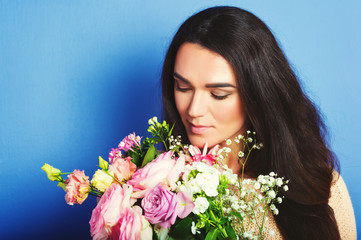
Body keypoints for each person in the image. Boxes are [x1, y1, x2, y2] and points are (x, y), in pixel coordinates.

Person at [161, 6, 356, 240]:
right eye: (183, 87)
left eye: (219, 94)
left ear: (258, 93)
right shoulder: (160, 186)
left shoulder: (321, 186)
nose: (193, 110)